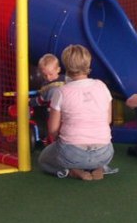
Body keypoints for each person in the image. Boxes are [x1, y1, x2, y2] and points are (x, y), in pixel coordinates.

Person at [36, 44, 114, 181]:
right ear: (88, 63)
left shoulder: (61, 92)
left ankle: (72, 171)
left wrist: (61, 142)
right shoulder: (102, 86)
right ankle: (99, 167)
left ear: (65, 65)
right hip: (105, 153)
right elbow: (108, 120)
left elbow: (53, 129)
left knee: (43, 159)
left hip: (73, 153)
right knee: (95, 154)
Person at [29, 53, 64, 142]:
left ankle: (48, 139)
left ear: (58, 69)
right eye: (45, 75)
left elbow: (40, 101)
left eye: (50, 74)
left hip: (55, 113)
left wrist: (30, 101)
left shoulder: (50, 88)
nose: (48, 78)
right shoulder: (65, 79)